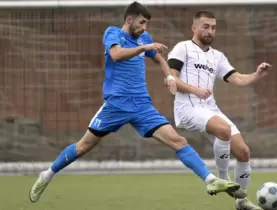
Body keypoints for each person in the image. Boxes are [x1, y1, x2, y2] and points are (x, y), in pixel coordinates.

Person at [29, 2, 244, 203]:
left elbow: (159, 57)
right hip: (116, 105)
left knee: (178, 141)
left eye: (147, 24)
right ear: (129, 20)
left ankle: (210, 180)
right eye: (142, 23)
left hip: (142, 106)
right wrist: (144, 47)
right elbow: (116, 55)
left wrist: (169, 76)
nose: (144, 27)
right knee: (83, 146)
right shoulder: (113, 33)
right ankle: (48, 174)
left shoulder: (145, 38)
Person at [167, 10, 272, 210]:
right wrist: (195, 90)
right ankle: (222, 178)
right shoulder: (183, 48)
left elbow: (239, 79)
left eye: (213, 28)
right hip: (187, 108)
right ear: (194, 28)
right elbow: (172, 78)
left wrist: (257, 74)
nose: (210, 31)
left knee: (243, 152)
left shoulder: (217, 57)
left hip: (209, 109)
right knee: (223, 129)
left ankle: (241, 202)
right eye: (205, 26)